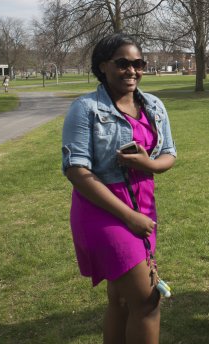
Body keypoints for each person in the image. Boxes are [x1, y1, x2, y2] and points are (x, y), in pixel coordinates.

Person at [62, 33, 176, 343]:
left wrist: (148, 165)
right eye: (122, 64)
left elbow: (169, 155)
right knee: (148, 301)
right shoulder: (85, 108)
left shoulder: (153, 105)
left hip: (143, 203)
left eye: (138, 64)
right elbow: (76, 170)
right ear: (103, 66)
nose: (132, 71)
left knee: (122, 300)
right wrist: (127, 216)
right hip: (102, 209)